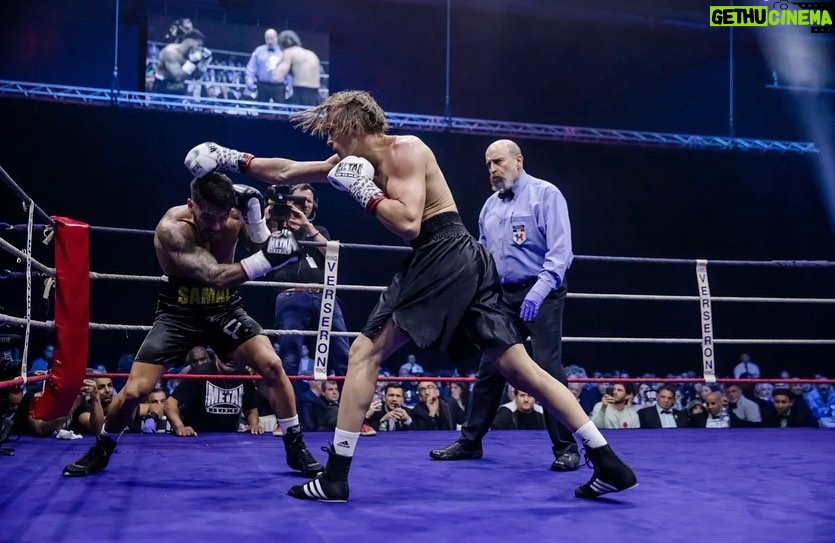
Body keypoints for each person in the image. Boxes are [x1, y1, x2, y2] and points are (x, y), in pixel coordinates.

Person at [183, 90, 637, 503]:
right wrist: (232, 158)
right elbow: (284, 169)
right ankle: (606, 459)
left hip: (441, 251)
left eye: (332, 133)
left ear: (354, 126)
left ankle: (336, 475)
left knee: (363, 352)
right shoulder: (351, 161)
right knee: (520, 368)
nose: (328, 145)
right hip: (464, 261)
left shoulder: (408, 149)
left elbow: (408, 224)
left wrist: (364, 192)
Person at [61, 173, 323, 478]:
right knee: (135, 391)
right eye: (207, 216)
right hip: (178, 314)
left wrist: (256, 216)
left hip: (224, 309)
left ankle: (295, 446)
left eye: (220, 218)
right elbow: (214, 274)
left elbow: (261, 243)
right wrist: (266, 260)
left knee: (272, 365)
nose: (214, 226)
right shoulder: (172, 229)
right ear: (191, 205)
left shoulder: (233, 217)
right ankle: (101, 448)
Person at [430, 139, 579, 471]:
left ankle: (567, 448)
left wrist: (539, 290)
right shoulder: (489, 207)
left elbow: (561, 251)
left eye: (498, 162)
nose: (493, 170)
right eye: (488, 165)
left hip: (542, 291)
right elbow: (482, 256)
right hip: (500, 296)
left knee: (546, 367)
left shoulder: (547, 195)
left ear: (518, 161)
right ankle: (470, 442)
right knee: (490, 369)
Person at [266, 183, 350, 379]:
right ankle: (288, 408)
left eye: (308, 201)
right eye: (298, 200)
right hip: (291, 294)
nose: (303, 205)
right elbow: (259, 233)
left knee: (343, 354)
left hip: (324, 295)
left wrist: (306, 225)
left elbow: (332, 253)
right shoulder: (276, 227)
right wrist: (272, 207)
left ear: (314, 206)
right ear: (288, 201)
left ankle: (348, 408)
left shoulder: (318, 230)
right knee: (289, 356)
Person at [269, 30, 322, 106]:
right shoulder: (311, 54)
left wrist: (272, 64)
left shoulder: (289, 52)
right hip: (316, 96)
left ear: (281, 44)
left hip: (300, 95)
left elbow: (277, 77)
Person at [155, 29, 212, 95]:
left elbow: (196, 77)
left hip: (180, 91)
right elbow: (178, 77)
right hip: (163, 91)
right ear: (189, 41)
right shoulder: (170, 53)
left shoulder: (190, 54)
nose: (199, 48)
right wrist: (192, 63)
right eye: (199, 45)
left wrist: (204, 63)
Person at [245, 28, 287, 103]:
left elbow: (287, 70)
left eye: (272, 38)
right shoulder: (258, 51)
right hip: (262, 85)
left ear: (277, 38)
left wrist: (289, 86)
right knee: (262, 110)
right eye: (267, 39)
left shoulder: (283, 52)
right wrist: (249, 80)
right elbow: (250, 68)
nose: (269, 41)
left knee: (280, 110)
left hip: (279, 86)